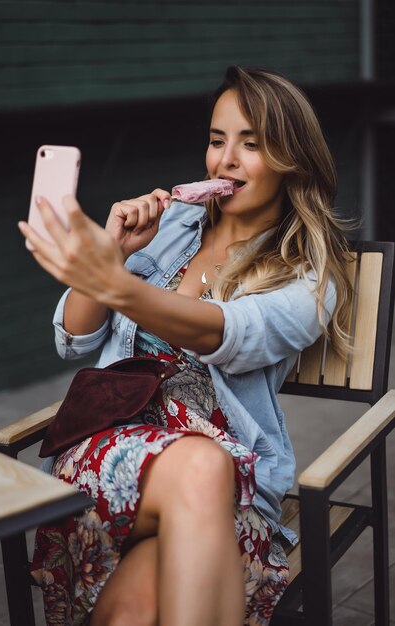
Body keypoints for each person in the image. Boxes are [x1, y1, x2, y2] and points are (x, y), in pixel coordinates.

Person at [18, 66, 353, 626]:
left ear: (292, 158)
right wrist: (114, 254)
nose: (225, 160)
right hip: (113, 448)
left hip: (231, 486)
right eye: (218, 140)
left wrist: (112, 279)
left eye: (252, 144)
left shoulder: (310, 275)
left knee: (133, 613)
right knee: (202, 468)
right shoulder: (173, 224)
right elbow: (75, 340)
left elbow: (223, 332)